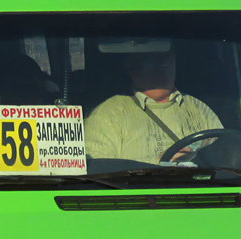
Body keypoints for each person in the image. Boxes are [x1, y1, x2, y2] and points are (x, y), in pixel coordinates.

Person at [84, 48, 222, 164]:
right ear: (132, 67)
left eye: (167, 59)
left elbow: (225, 156)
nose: (162, 67)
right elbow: (98, 172)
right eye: (151, 60)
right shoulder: (108, 114)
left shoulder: (199, 109)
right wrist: (158, 162)